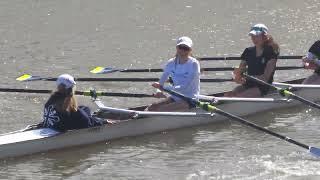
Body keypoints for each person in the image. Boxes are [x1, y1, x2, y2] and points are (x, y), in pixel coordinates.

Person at [146, 36, 200, 111]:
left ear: (190, 50)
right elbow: (161, 81)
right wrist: (159, 91)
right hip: (175, 97)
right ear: (177, 48)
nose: (183, 51)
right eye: (181, 47)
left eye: (186, 48)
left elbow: (184, 86)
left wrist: (164, 88)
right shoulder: (171, 63)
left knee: (161, 109)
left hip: (190, 99)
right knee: (151, 107)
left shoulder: (194, 64)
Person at [225, 24, 279, 97]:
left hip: (262, 87)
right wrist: (238, 76)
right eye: (252, 36)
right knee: (228, 95)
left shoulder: (270, 53)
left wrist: (246, 77)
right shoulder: (248, 51)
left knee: (237, 97)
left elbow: (265, 78)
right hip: (248, 85)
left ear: (264, 36)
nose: (254, 39)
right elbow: (239, 75)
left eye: (257, 36)